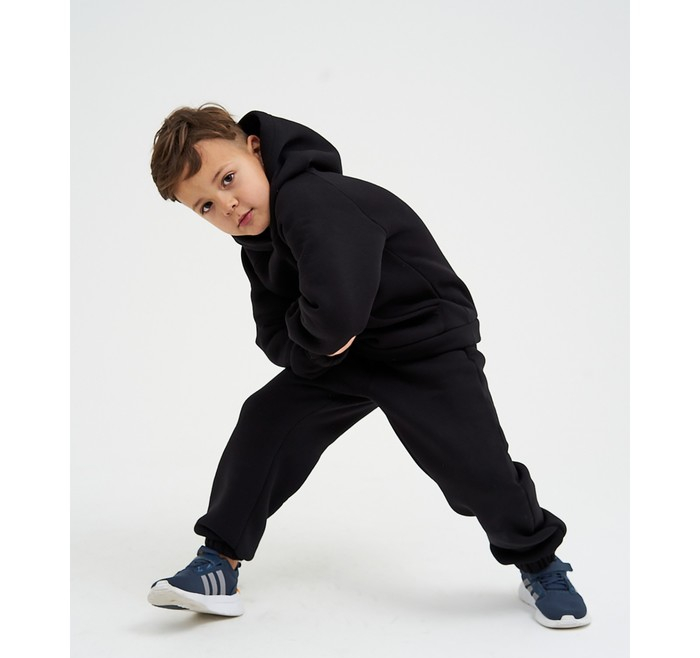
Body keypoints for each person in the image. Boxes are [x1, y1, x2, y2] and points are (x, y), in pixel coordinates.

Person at [146, 104, 590, 628]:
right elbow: (274, 334)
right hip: (347, 358)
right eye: (205, 205)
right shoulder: (256, 245)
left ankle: (540, 564)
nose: (227, 204)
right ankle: (218, 563)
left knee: (477, 470)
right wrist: (321, 344)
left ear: (255, 149)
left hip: (425, 346)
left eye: (227, 179)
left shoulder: (313, 199)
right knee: (267, 419)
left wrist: (323, 337)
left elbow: (335, 317)